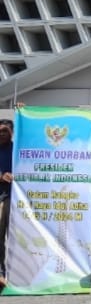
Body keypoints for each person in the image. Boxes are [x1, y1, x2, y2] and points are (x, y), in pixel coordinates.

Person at [0, 119, 13, 289]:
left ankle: (15, 273)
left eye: (5, 131)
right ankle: (1, 273)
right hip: (1, 198)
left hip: (18, 198)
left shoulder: (18, 147)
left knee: (17, 238)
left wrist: (22, 112)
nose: (2, 134)